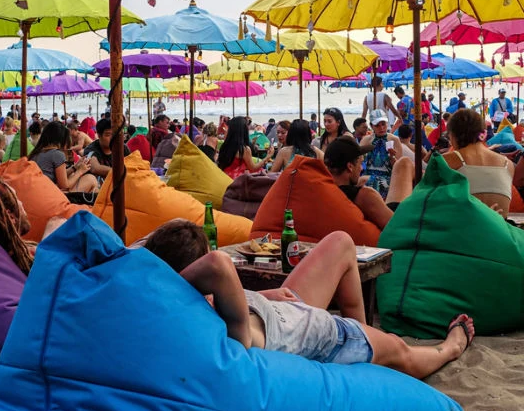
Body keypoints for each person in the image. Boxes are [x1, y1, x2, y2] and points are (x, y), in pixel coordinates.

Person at [145, 221, 474, 378]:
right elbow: (219, 264)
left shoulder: (196, 304)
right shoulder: (227, 333)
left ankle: (366, 348)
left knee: (341, 240)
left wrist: (258, 296)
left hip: (283, 311)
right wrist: (176, 286)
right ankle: (452, 347)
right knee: (402, 352)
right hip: (329, 336)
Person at [324, 136, 414, 230]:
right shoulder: (364, 196)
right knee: (405, 163)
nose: (361, 168)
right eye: (360, 163)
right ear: (350, 167)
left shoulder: (324, 192)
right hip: (391, 227)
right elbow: (399, 228)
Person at [442, 108, 514, 218]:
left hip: (463, 232)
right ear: (482, 133)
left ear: (453, 134)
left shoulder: (445, 161)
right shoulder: (508, 165)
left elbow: (427, 204)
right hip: (500, 232)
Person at [29, 122, 97, 194]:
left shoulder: (35, 152)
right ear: (62, 139)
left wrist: (74, 168)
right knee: (90, 179)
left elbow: (57, 175)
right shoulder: (57, 154)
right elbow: (64, 186)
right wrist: (80, 171)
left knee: (73, 176)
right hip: (50, 195)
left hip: (38, 191)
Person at [360, 110, 404, 200]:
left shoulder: (394, 140)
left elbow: (398, 168)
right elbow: (359, 161)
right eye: (377, 125)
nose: (381, 128)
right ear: (371, 126)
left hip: (387, 177)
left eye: (383, 124)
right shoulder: (366, 140)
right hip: (367, 175)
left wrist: (392, 157)